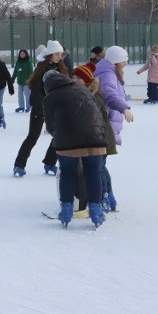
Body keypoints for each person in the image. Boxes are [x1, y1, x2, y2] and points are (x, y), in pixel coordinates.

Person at [42, 70, 108, 228]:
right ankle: (95, 210)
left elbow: (51, 127)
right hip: (96, 140)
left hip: (68, 143)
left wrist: (60, 135)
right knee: (93, 173)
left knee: (67, 172)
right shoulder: (82, 89)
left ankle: (66, 210)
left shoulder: (49, 98)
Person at [12, 40, 68, 177]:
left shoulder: (61, 68)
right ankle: (19, 165)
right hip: (40, 108)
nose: (59, 57)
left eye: (60, 54)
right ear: (50, 54)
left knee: (58, 135)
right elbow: (36, 91)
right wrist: (41, 109)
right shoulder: (41, 69)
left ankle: (50, 162)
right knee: (33, 137)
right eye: (57, 54)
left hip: (56, 108)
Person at [71, 63, 117, 216]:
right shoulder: (84, 92)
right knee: (100, 168)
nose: (74, 79)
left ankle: (104, 196)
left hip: (100, 138)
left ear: (86, 80)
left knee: (98, 169)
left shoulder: (92, 95)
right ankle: (109, 196)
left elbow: (96, 119)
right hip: (96, 137)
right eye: (73, 76)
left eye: (78, 77)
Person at [94, 46, 134, 212]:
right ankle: (105, 196)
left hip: (107, 121)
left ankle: (108, 196)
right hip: (105, 123)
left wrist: (123, 99)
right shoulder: (108, 74)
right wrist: (123, 108)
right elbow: (109, 94)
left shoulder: (106, 69)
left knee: (101, 164)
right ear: (116, 61)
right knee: (99, 164)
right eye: (123, 61)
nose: (125, 64)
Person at [12, 49, 33, 113]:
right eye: (21, 54)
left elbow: (31, 72)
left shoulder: (28, 62)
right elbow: (15, 71)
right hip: (20, 82)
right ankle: (21, 106)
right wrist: (12, 79)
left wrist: (29, 80)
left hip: (26, 82)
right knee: (20, 95)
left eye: (23, 54)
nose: (22, 55)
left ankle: (29, 107)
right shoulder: (18, 62)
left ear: (26, 54)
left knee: (27, 95)